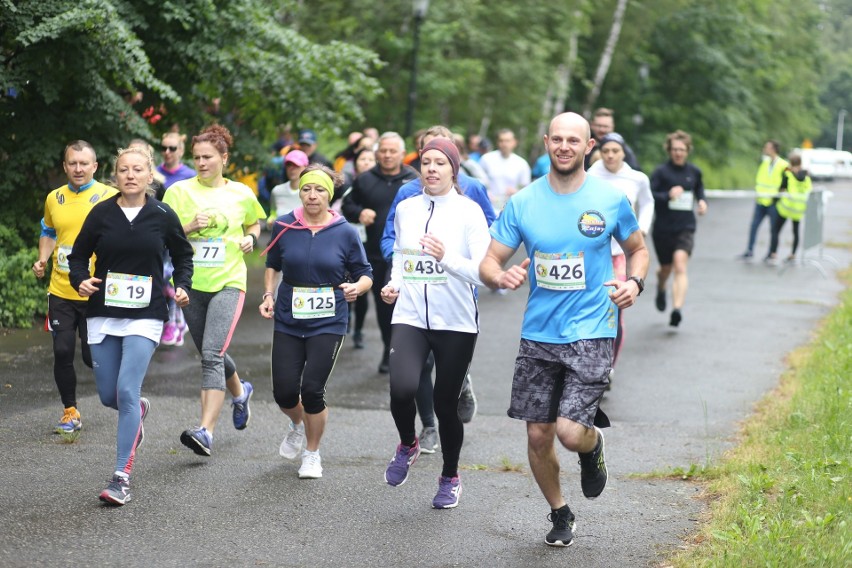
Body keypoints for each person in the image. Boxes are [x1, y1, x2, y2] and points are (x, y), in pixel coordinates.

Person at [479, 112, 649, 547]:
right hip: (539, 333)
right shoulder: (524, 201)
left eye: (574, 140)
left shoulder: (609, 199)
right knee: (538, 434)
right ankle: (560, 511)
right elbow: (489, 262)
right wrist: (500, 277)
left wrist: (634, 282)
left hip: (592, 328)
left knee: (570, 433)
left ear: (589, 146)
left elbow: (637, 249)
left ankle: (592, 448)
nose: (565, 146)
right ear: (546, 143)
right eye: (557, 139)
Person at [68, 146, 194, 505]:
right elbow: (78, 256)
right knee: (110, 395)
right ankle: (138, 411)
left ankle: (121, 476)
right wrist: (81, 278)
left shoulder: (162, 214)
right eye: (124, 169)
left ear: (149, 174)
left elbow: (183, 255)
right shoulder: (101, 214)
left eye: (138, 169)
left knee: (125, 391)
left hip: (145, 314)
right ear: (115, 175)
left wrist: (182, 285)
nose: (131, 175)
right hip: (103, 312)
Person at [380, 138, 491, 509]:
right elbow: (400, 254)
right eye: (425, 162)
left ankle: (450, 477)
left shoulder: (469, 211)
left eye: (439, 163)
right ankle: (408, 443)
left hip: (456, 322)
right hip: (410, 315)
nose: (431, 168)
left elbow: (482, 272)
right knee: (401, 387)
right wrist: (394, 283)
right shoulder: (407, 208)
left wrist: (447, 258)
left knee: (446, 405)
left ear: (453, 169)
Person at [259, 165, 373, 479]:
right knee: (284, 392)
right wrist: (268, 294)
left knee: (312, 390)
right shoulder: (283, 225)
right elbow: (272, 263)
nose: (312, 195)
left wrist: (356, 287)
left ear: (330, 195)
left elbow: (366, 274)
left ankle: (312, 453)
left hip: (329, 320)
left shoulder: (345, 231)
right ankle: (298, 423)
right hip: (288, 317)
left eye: (320, 190)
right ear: (300, 191)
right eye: (307, 189)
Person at [162, 124, 266, 457]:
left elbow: (254, 222)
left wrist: (252, 237)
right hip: (190, 284)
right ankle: (241, 392)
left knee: (210, 355)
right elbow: (163, 234)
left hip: (228, 281)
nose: (202, 163)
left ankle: (205, 431)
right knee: (212, 351)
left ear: (224, 157)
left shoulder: (241, 193)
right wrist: (189, 226)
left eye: (208, 157)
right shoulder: (178, 192)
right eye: (197, 158)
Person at [32, 140, 118, 435]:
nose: (78, 169)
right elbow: (48, 231)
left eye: (84, 163)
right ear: (65, 166)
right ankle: (70, 411)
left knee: (91, 356)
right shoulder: (54, 198)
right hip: (61, 290)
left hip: (97, 289)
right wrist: (43, 258)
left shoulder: (110, 196)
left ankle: (124, 391)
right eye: (73, 163)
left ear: (95, 166)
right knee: (62, 349)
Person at [341, 132, 418, 373]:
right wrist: (360, 212)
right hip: (374, 254)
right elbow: (347, 205)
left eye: (392, 151)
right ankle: (389, 349)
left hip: (406, 255)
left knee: (405, 307)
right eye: (383, 151)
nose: (387, 155)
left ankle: (413, 353)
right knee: (384, 307)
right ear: (376, 153)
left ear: (402, 154)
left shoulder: (413, 180)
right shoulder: (365, 179)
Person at [588, 132, 653, 366]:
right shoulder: (591, 174)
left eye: (615, 151)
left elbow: (647, 202)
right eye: (605, 151)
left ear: (624, 152)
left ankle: (609, 366)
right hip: (594, 250)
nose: (610, 156)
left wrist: (642, 228)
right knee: (592, 306)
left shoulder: (637, 178)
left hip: (620, 254)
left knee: (616, 309)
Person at [650, 130, 708, 327]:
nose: (678, 153)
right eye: (674, 149)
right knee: (666, 268)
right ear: (669, 150)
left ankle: (676, 309)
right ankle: (661, 286)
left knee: (680, 265)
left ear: (688, 151)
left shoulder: (694, 172)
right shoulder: (660, 172)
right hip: (663, 229)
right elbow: (650, 196)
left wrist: (702, 202)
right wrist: (667, 195)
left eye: (682, 149)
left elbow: (699, 190)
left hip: (686, 226)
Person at [156, 132, 196, 347]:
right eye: (164, 148)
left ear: (181, 150)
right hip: (159, 235)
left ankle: (176, 323)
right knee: (161, 279)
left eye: (172, 148)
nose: (167, 152)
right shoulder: (153, 174)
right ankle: (167, 322)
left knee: (175, 279)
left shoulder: (190, 175)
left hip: (183, 235)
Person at [343, 147, 377, 349]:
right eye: (362, 159)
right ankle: (346, 317)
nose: (366, 162)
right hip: (350, 240)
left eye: (370, 159)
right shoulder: (349, 183)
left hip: (370, 243)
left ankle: (358, 330)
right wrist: (359, 212)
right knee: (347, 280)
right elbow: (344, 206)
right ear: (355, 164)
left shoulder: (379, 183)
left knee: (364, 285)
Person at [740, 140, 789, 260]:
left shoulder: (783, 164)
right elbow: (760, 179)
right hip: (761, 201)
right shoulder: (765, 162)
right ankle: (750, 250)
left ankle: (772, 253)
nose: (765, 149)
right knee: (754, 226)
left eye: (767, 147)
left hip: (774, 202)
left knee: (774, 229)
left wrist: (779, 196)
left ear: (773, 149)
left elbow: (786, 182)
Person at [767, 153, 812, 262]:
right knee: (795, 232)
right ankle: (793, 254)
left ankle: (773, 253)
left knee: (775, 230)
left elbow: (781, 189)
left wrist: (774, 201)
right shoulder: (806, 176)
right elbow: (809, 190)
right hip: (798, 209)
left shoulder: (788, 174)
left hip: (786, 208)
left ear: (791, 163)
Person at [479, 129, 531, 212]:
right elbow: (478, 181)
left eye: (507, 141)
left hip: (509, 209)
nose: (504, 144)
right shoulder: (486, 159)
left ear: (514, 142)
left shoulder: (522, 164)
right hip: (487, 207)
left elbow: (527, 189)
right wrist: (486, 193)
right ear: (497, 142)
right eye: (501, 141)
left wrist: (516, 192)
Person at [269, 150, 310, 217]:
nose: (292, 169)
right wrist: (271, 220)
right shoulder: (277, 191)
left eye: (296, 165)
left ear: (305, 167)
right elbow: (273, 213)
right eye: (289, 165)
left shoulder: (312, 193)